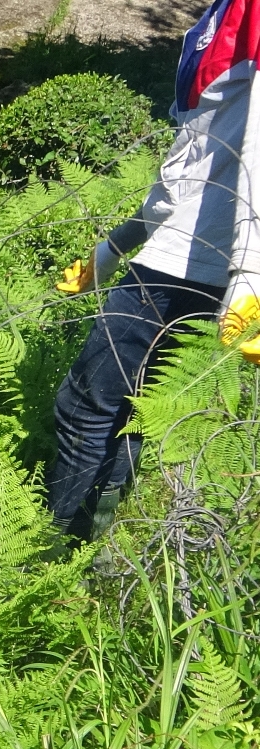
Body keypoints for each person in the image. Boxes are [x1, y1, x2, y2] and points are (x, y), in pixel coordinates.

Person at [49, 0, 260, 542]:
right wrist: (112, 248)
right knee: (137, 407)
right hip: (185, 251)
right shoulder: (223, 14)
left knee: (86, 406)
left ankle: (57, 551)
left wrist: (250, 276)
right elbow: (190, 170)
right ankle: (95, 549)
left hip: (196, 263)